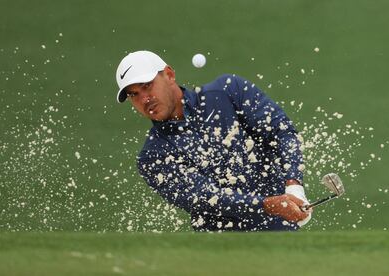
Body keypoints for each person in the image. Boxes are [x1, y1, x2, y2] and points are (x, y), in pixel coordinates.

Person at [115, 50, 312, 231]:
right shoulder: (152, 157)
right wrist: (268, 205)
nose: (144, 99)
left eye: (147, 86)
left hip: (283, 241)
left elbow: (281, 132)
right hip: (219, 254)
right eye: (134, 94)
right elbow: (207, 197)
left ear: (169, 75)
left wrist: (294, 185)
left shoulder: (227, 91)